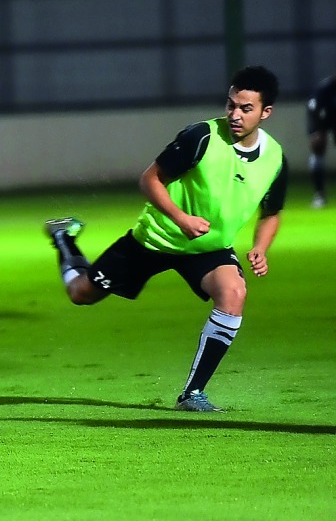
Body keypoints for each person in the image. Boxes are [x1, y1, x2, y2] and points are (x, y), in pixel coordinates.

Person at [45, 65, 287, 412]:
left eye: (245, 108)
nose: (235, 114)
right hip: (155, 240)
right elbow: (150, 180)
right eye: (231, 104)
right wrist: (181, 218)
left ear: (266, 112)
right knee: (81, 294)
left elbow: (271, 213)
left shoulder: (275, 158)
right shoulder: (200, 137)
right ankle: (64, 238)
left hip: (208, 248)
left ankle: (192, 394)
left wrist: (261, 247)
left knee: (234, 292)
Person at [305, 73, 336, 208]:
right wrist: (316, 130)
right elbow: (313, 108)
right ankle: (319, 194)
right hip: (321, 119)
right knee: (318, 147)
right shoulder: (325, 89)